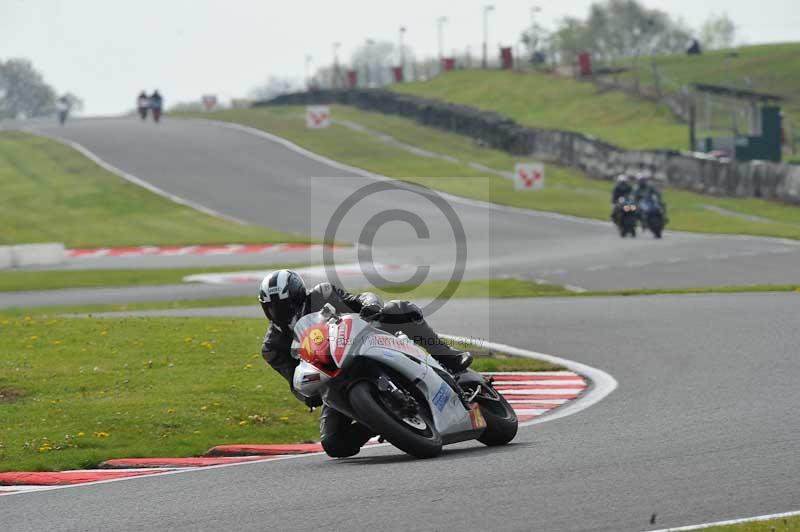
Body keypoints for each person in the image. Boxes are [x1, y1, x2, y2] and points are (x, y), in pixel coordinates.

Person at [258, 269, 473, 458]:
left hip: (363, 341)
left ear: (297, 296)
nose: (278, 312)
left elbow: (361, 298)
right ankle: (379, 419)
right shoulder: (273, 347)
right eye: (271, 308)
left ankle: (448, 357)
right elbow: (292, 378)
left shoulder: (323, 293)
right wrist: (307, 395)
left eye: (283, 305)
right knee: (334, 444)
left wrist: (370, 305)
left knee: (399, 308)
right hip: (332, 380)